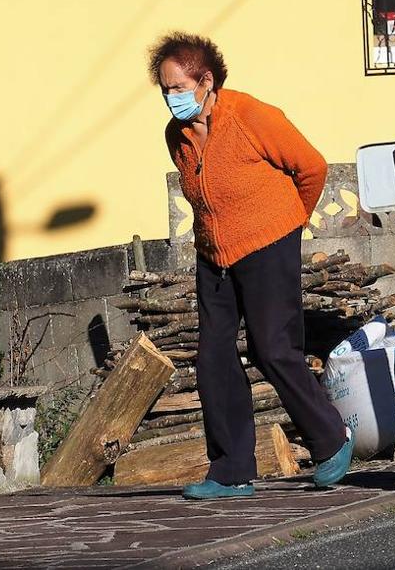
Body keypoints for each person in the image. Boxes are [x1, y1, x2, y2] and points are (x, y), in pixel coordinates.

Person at [148, 32, 355, 500]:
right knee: (213, 357)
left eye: (178, 87)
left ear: (206, 80)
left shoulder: (249, 115)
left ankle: (330, 439)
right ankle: (230, 470)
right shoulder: (175, 136)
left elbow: (312, 167)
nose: (170, 97)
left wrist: (290, 223)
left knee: (273, 347)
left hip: (269, 241)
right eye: (164, 89)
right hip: (214, 253)